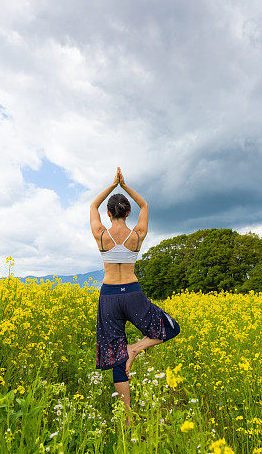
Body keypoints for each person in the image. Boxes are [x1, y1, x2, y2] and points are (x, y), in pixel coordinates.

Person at [89, 167, 181, 425]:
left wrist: (112, 185)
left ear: (109, 213)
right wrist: (125, 185)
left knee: (116, 354)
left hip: (108, 295)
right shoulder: (137, 235)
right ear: (128, 212)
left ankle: (128, 419)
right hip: (132, 292)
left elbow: (93, 204)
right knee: (170, 328)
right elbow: (145, 204)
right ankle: (135, 350)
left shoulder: (101, 235)